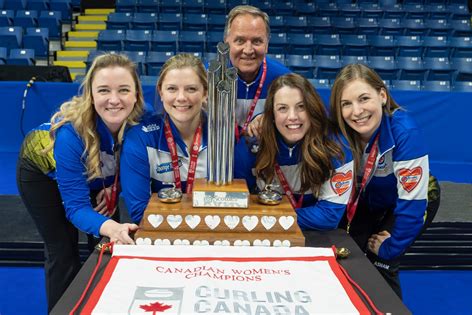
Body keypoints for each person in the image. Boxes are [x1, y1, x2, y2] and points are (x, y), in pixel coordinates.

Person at [16, 53, 145, 311]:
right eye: (104, 90)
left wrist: (112, 188)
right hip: (41, 175)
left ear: (136, 95)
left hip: (96, 174)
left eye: (123, 90)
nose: (114, 99)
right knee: (63, 250)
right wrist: (110, 224)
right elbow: (75, 208)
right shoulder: (71, 135)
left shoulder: (143, 119)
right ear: (91, 94)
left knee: (105, 244)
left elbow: (125, 161)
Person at [329, 64, 440, 298]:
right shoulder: (337, 133)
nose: (356, 111)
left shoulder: (404, 132)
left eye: (364, 99)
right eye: (346, 104)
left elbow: (412, 206)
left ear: (382, 95)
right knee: (348, 257)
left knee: (382, 262)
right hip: (369, 198)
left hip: (409, 201)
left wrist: (391, 248)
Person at [236, 73, 354, 230]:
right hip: (264, 235)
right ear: (271, 114)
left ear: (312, 109)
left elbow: (329, 216)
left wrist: (273, 219)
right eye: (282, 108)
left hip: (316, 237)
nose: (293, 116)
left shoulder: (336, 146)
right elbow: (240, 205)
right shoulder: (250, 145)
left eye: (301, 107)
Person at [121, 54, 208, 224]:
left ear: (205, 93)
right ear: (161, 92)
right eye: (172, 89)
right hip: (159, 240)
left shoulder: (225, 137)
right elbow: (140, 213)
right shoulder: (141, 138)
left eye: (191, 89)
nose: (181, 97)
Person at [224, 5, 291, 137]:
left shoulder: (285, 80)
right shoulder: (207, 78)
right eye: (240, 41)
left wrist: (272, 119)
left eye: (257, 41)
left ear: (266, 45)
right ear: (227, 42)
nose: (248, 50)